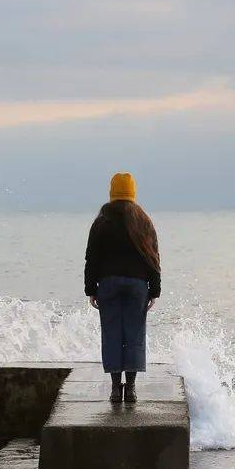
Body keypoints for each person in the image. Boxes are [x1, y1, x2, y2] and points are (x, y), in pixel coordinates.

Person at [84, 172, 161, 404]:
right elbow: (153, 258)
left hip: (108, 284)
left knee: (112, 334)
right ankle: (132, 388)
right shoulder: (143, 221)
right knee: (134, 335)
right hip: (137, 285)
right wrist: (154, 290)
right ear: (133, 193)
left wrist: (91, 288)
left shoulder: (102, 221)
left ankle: (116, 389)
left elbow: (91, 258)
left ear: (112, 192)